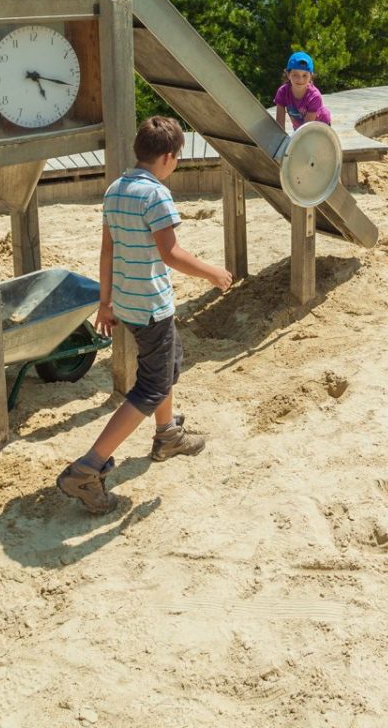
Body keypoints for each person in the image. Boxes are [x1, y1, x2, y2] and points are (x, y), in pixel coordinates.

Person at [56, 116, 233, 514]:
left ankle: (167, 434)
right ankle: (87, 468)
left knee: (167, 364)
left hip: (129, 303)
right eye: (177, 160)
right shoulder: (156, 196)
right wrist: (213, 273)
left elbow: (107, 250)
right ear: (168, 158)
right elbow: (171, 253)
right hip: (152, 305)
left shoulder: (116, 190)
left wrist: (105, 302)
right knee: (151, 387)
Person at [274, 51, 332, 130]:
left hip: (320, 125)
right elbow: (279, 126)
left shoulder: (314, 96)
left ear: (311, 76)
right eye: (295, 74)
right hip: (300, 126)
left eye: (305, 75)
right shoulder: (282, 92)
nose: (300, 79)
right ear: (288, 74)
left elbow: (306, 130)